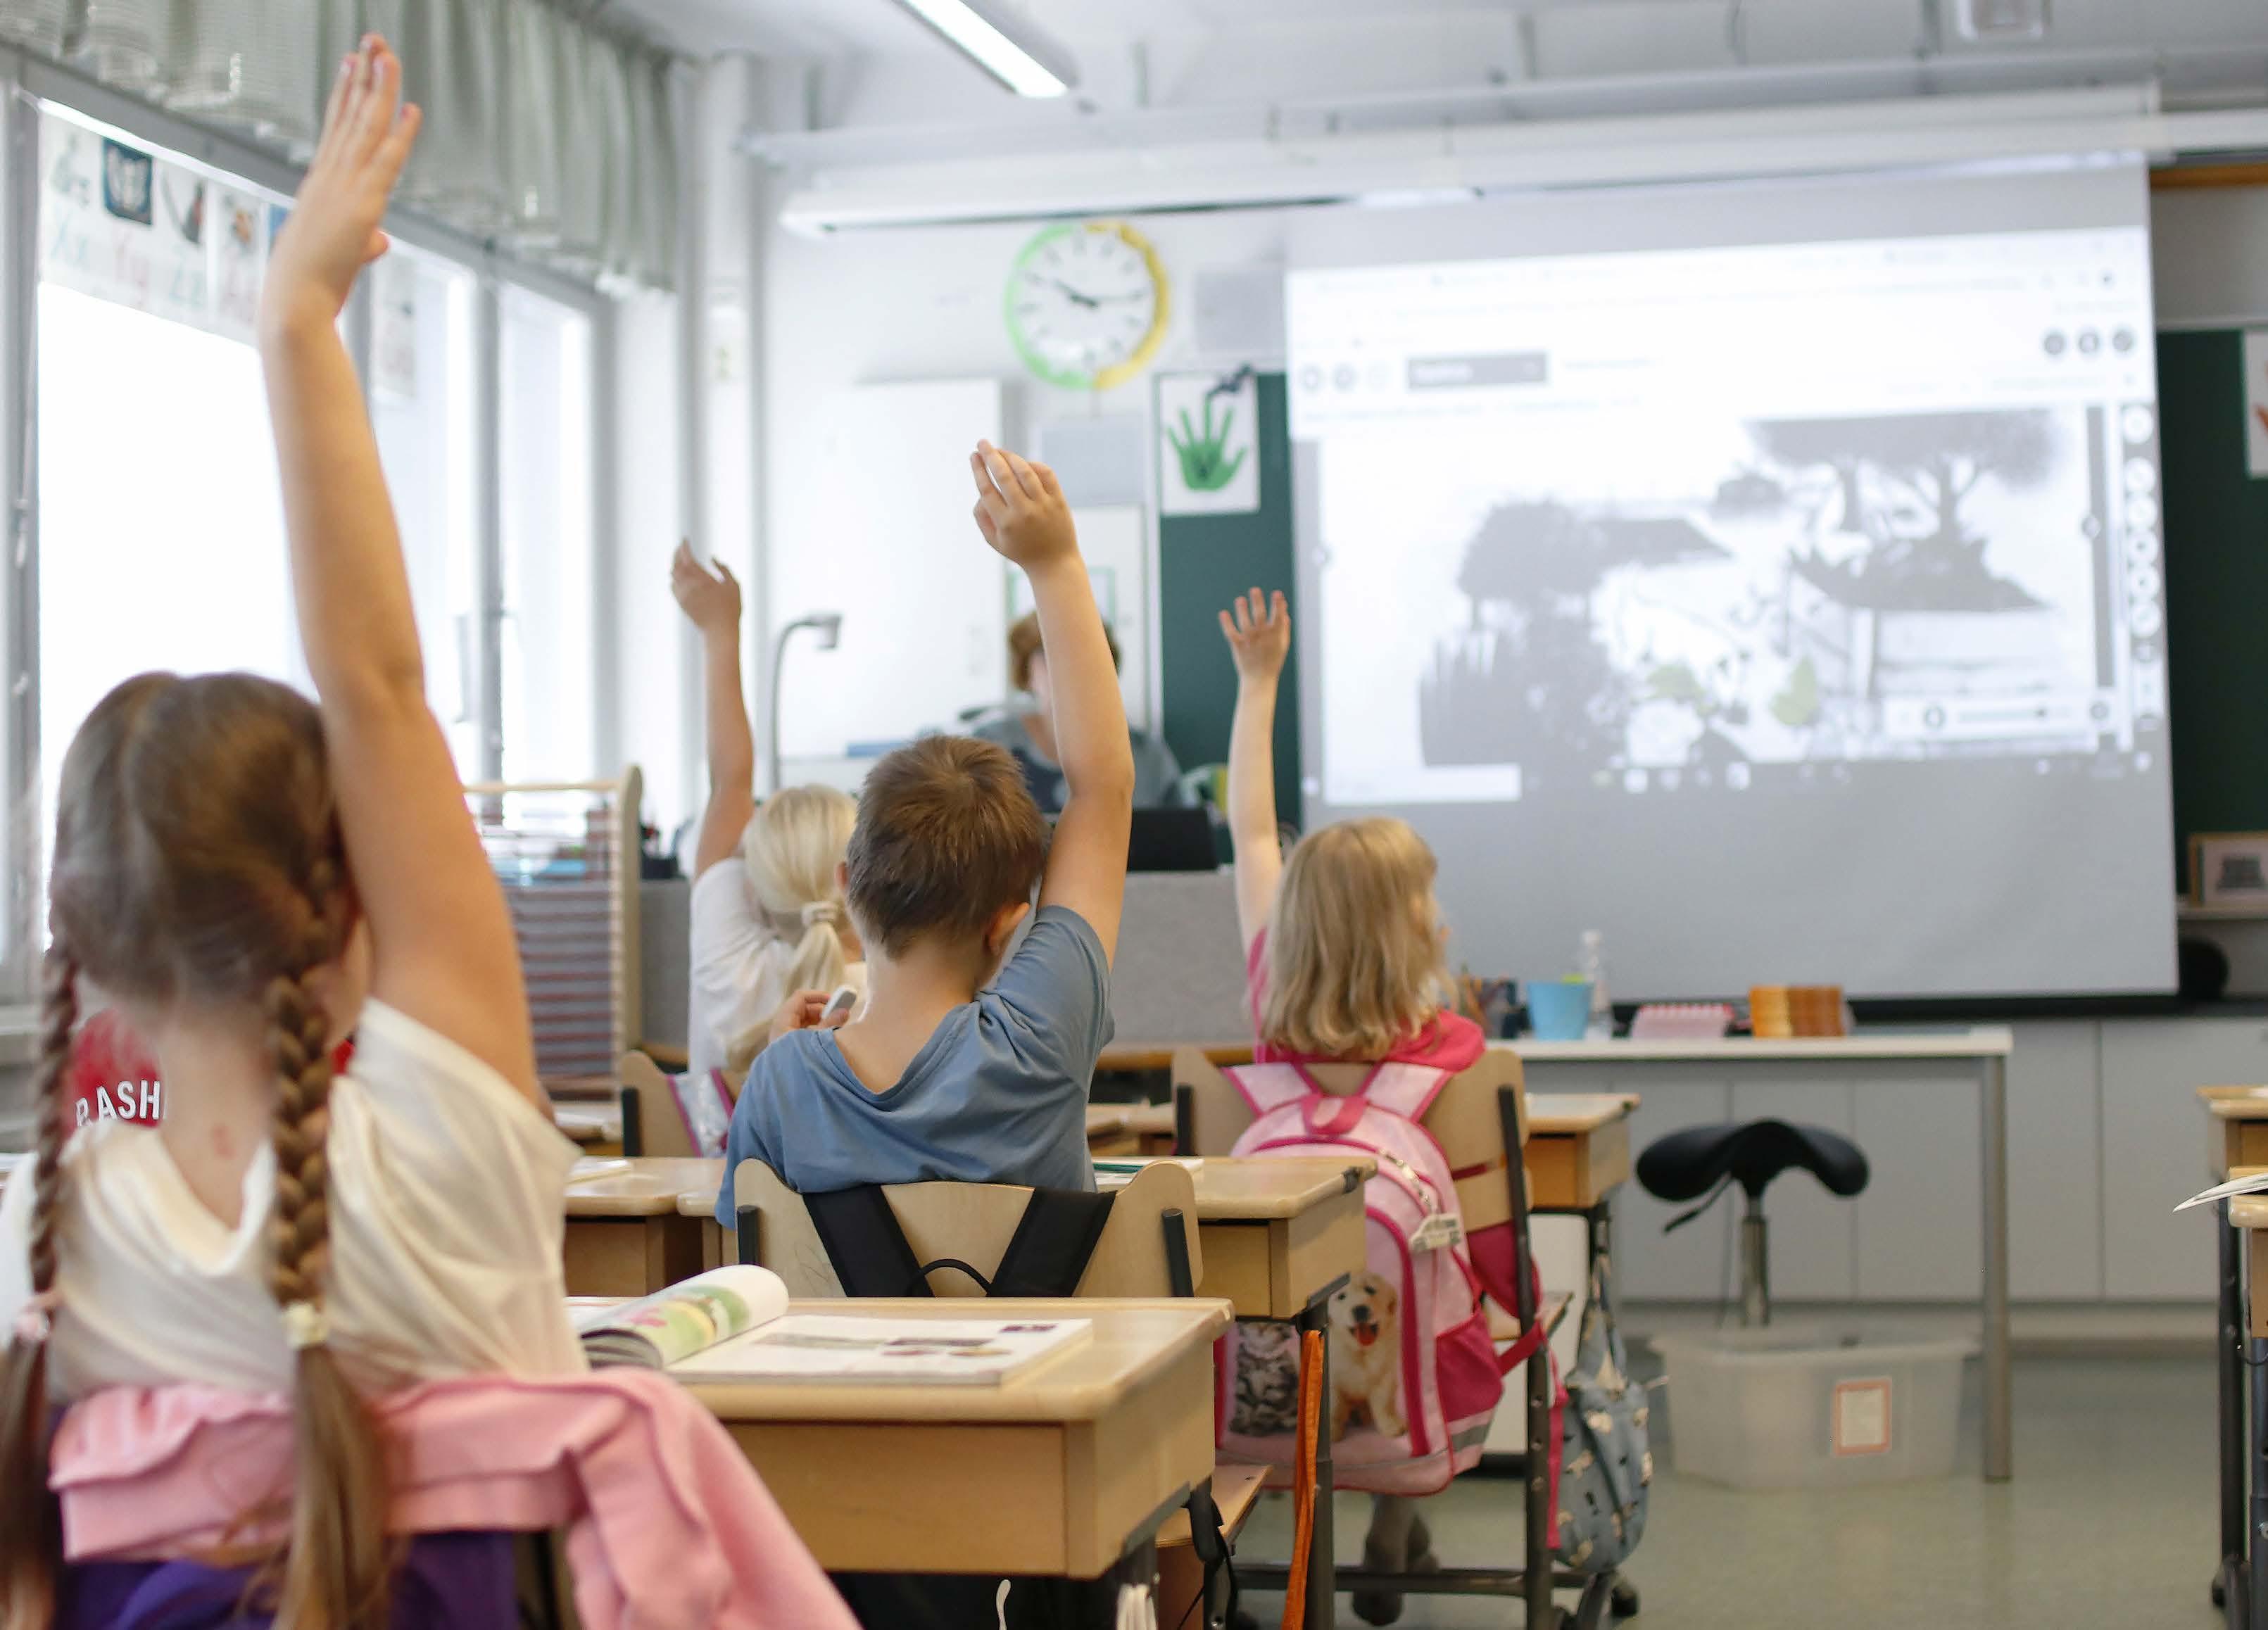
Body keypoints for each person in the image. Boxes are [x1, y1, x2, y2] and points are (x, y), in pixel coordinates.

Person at [0, 41, 584, 1625]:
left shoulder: (48, 1263)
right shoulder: (445, 1163)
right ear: (349, 897)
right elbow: (377, 689)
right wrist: (295, 323)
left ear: (84, 946)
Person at [717, 443, 1133, 1209]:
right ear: (1008, 926)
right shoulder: (1039, 1039)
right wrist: (1055, 564)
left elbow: (747, 1251)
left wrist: (783, 1071)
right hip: (1043, 1301)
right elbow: (1103, 791)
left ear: (848, 887)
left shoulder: (781, 1082)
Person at [1218, 586, 1487, 1626]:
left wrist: (1258, 683)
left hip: (1283, 1326)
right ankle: (1393, 1517)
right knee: (1453, 1303)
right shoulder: (1450, 1054)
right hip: (1406, 1330)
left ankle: (1327, 1526)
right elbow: (1485, 1239)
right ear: (1411, 932)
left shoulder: (1266, 1015)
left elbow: (1251, 833)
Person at [671, 543, 864, 1085]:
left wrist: (720, 631)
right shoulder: (889, 996)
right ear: (858, 879)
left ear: (750, 885)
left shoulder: (727, 958)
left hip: (715, 1148)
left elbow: (730, 780)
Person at [977, 610, 1182, 812]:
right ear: (1026, 671)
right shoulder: (990, 748)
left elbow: (1185, 828)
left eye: (1084, 655)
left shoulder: (1147, 756)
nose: (1068, 668)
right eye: (1050, 654)